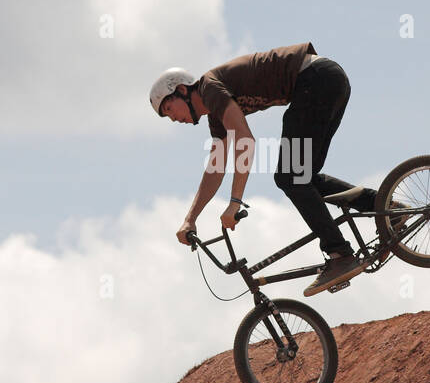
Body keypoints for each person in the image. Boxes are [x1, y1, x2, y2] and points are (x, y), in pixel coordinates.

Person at [152, 44, 379, 296]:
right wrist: (190, 219)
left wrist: (235, 202)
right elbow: (216, 167)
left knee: (290, 177)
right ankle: (383, 207)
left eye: (169, 109)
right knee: (302, 179)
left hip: (316, 80)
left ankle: (340, 254)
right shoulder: (216, 115)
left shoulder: (209, 88)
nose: (172, 118)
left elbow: (245, 141)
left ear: (182, 90)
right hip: (326, 80)